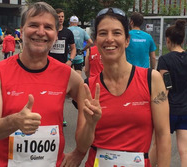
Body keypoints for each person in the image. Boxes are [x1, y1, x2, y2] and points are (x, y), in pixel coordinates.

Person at [62, 7, 171, 167]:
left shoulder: (151, 79)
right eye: (103, 33)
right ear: (96, 41)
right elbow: (82, 145)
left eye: (117, 33)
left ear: (127, 40)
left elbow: (163, 137)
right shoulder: (87, 86)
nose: (110, 39)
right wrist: (91, 124)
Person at [0, 2, 83, 167]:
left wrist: (80, 152)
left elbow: (94, 113)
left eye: (48, 27)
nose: (41, 32)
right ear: (21, 31)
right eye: (34, 25)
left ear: (56, 34)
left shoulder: (67, 75)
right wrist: (15, 121)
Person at [155, 19, 187, 167]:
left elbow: (165, 88)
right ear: (182, 40)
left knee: (158, 147)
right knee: (185, 152)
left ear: (168, 40)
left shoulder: (164, 60)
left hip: (168, 110)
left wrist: (156, 107)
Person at [48, 8, 77, 127]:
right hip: (48, 67)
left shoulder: (68, 33)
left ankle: (60, 116)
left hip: (62, 67)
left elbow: (73, 48)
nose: (60, 18)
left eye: (62, 16)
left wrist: (70, 60)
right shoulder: (49, 31)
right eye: (58, 16)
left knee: (60, 93)